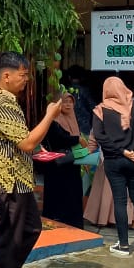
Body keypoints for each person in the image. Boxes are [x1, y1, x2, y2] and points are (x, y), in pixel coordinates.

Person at [0, 52, 62, 268]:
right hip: (8, 182)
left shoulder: (6, 99)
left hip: (18, 178)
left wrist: (38, 149)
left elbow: (19, 141)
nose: (26, 80)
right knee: (11, 236)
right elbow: (26, 143)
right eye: (23, 75)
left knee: (29, 229)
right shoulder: (1, 103)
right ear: (6, 75)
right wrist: (50, 115)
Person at [92, 76, 134, 258]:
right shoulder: (133, 104)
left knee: (120, 201)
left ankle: (123, 245)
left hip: (114, 160)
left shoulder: (100, 110)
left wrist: (121, 151)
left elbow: (99, 136)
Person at [38, 91, 85, 229]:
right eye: (64, 102)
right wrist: (77, 139)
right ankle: (56, 222)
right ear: (57, 103)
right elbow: (57, 140)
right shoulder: (52, 120)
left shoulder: (72, 118)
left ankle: (73, 224)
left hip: (71, 163)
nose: (68, 105)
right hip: (57, 166)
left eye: (70, 102)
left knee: (72, 194)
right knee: (58, 195)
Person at [64, 65, 97, 136]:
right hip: (83, 127)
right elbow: (94, 107)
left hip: (67, 126)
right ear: (82, 77)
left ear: (69, 77)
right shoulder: (85, 91)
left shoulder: (64, 91)